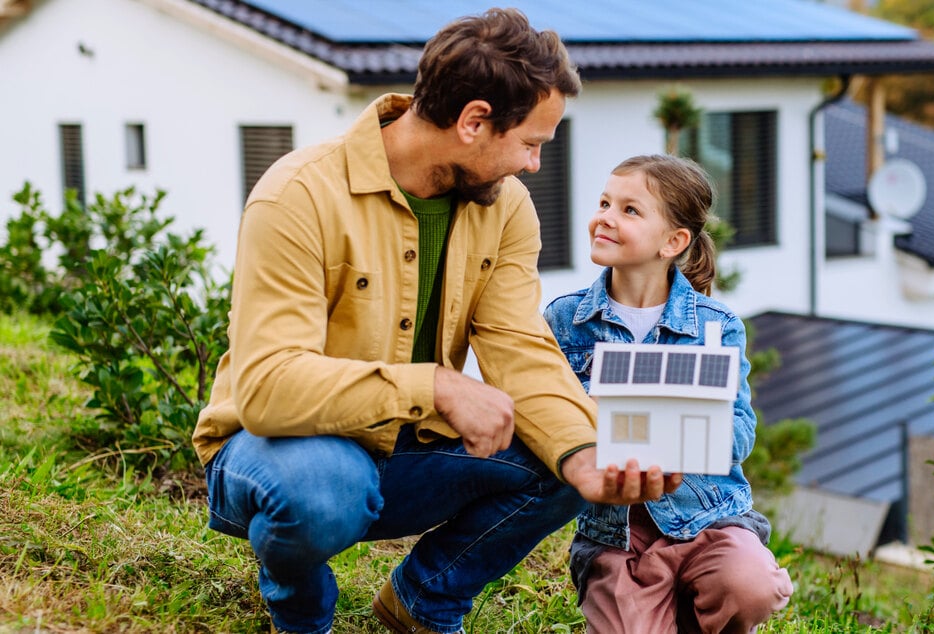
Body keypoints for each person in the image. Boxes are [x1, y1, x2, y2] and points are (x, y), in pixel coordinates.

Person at [192, 10, 679, 634]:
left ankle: (423, 601)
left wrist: (585, 456)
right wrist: (436, 386)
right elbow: (266, 390)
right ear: (474, 122)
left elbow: (519, 348)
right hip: (273, 455)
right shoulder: (298, 194)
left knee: (564, 452)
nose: (533, 164)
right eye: (531, 143)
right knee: (322, 488)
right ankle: (301, 610)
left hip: (405, 456)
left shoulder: (505, 209)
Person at [544, 154, 793, 633]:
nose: (605, 218)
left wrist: (669, 422)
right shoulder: (564, 319)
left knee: (750, 585)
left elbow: (741, 434)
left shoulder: (717, 328)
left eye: (629, 210)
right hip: (616, 533)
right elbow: (546, 418)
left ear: (673, 242)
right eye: (604, 202)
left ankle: (705, 602)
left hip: (710, 520)